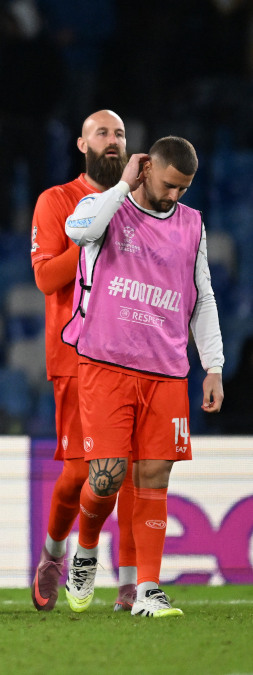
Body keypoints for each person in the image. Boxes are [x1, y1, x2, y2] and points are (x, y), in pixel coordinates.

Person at [62, 137, 223, 618]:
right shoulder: (105, 209)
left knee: (155, 476)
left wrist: (212, 365)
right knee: (107, 476)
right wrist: (122, 184)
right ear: (147, 167)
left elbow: (204, 296)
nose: (175, 196)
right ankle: (86, 551)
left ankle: (148, 590)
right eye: (170, 184)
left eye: (184, 188)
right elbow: (78, 231)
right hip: (106, 362)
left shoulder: (192, 224)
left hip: (167, 370)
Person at [30, 110, 137, 612]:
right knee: (79, 474)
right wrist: (94, 240)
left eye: (118, 133)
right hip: (74, 355)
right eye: (102, 133)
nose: (111, 141)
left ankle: (131, 584)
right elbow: (48, 278)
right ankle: (54, 552)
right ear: (82, 144)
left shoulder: (141, 206)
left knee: (130, 473)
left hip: (131, 356)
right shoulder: (57, 201)